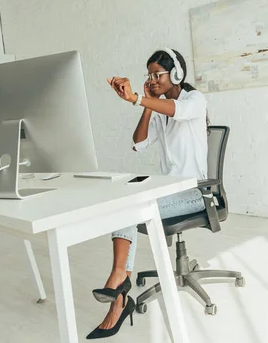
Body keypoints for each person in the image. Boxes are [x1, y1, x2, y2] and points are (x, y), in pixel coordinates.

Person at [86, 48, 209, 340]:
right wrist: (145, 105)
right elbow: (138, 143)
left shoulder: (194, 100)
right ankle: (119, 286)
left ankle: (119, 291)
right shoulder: (159, 109)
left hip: (194, 193)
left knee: (130, 206)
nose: (153, 80)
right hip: (168, 193)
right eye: (149, 76)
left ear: (176, 74)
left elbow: (177, 112)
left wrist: (137, 98)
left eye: (158, 74)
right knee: (125, 200)